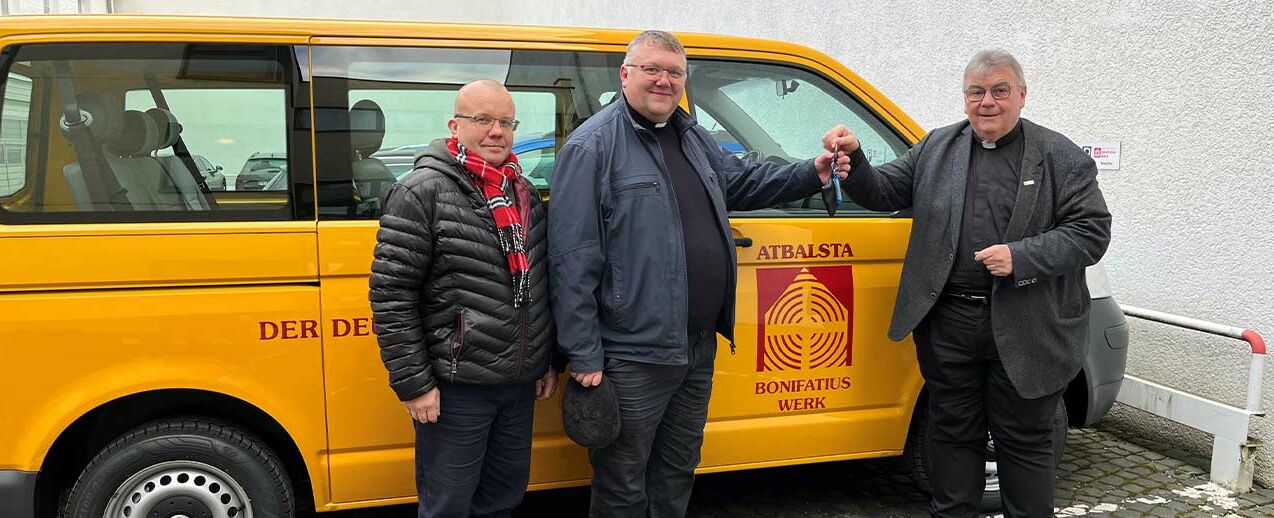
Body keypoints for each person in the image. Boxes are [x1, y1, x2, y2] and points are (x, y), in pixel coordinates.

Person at [548, 30, 845, 518]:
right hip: (631, 353)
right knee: (624, 482)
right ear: (625, 74)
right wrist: (582, 355)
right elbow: (571, 261)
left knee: (677, 471)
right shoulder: (592, 147)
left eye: (675, 72)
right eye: (652, 69)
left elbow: (740, 180)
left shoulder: (690, 135)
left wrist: (811, 171)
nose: (664, 81)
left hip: (695, 345)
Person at [822, 49, 1111, 517]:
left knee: (1024, 443)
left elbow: (1091, 233)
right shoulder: (937, 148)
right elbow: (883, 191)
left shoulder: (1060, 157)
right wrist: (854, 159)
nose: (987, 102)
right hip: (949, 323)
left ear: (1021, 95)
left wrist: (1020, 256)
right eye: (976, 92)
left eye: (1000, 91)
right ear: (964, 99)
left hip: (1028, 323)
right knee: (953, 433)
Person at [369, 79, 559, 518]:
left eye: (505, 121)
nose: (496, 131)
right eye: (482, 120)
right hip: (456, 388)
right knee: (448, 505)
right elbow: (391, 296)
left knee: (502, 499)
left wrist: (544, 359)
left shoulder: (522, 190)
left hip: (517, 385)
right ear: (455, 125)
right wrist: (415, 385)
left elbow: (539, 283)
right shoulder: (422, 191)